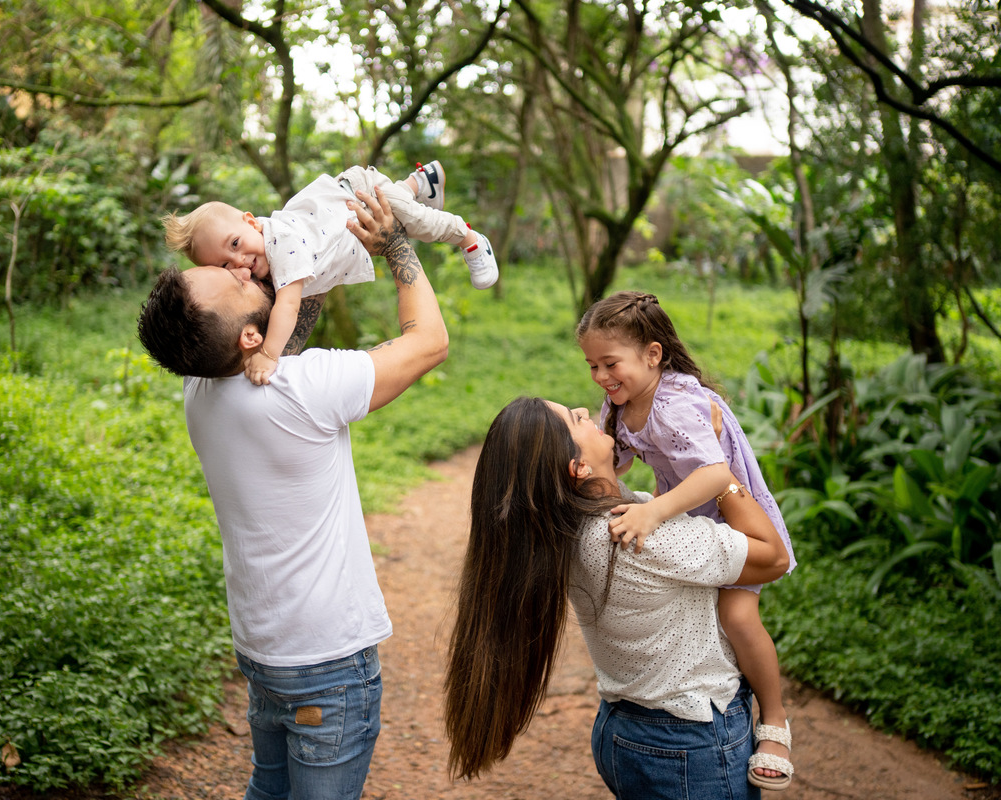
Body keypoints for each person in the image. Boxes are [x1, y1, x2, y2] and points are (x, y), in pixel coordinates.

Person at [137, 187, 448, 800]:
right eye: (230, 277)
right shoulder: (305, 388)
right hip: (327, 660)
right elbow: (430, 342)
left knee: (269, 788)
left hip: (262, 648)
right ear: (248, 340)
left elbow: (279, 333)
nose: (241, 269)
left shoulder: (200, 389)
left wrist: (307, 256)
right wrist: (395, 246)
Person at [442, 396, 791, 800]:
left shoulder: (573, 527)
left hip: (623, 731)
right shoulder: (630, 539)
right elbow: (773, 557)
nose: (586, 413)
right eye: (575, 419)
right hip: (689, 744)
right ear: (578, 468)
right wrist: (715, 468)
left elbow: (668, 524)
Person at [575, 290, 797, 790]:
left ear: (652, 355)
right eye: (592, 366)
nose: (600, 377)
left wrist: (653, 510)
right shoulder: (623, 402)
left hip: (733, 515)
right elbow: (615, 462)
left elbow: (715, 475)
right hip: (690, 513)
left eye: (609, 363)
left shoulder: (675, 404)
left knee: (737, 617)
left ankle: (775, 720)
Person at [161, 160, 497, 385]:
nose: (240, 263)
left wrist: (268, 355)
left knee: (419, 224)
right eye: (225, 265)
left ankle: (469, 238)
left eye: (235, 243)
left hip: (358, 197)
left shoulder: (281, 244)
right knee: (402, 204)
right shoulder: (260, 258)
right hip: (346, 200)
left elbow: (289, 306)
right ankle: (421, 180)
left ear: (251, 222)